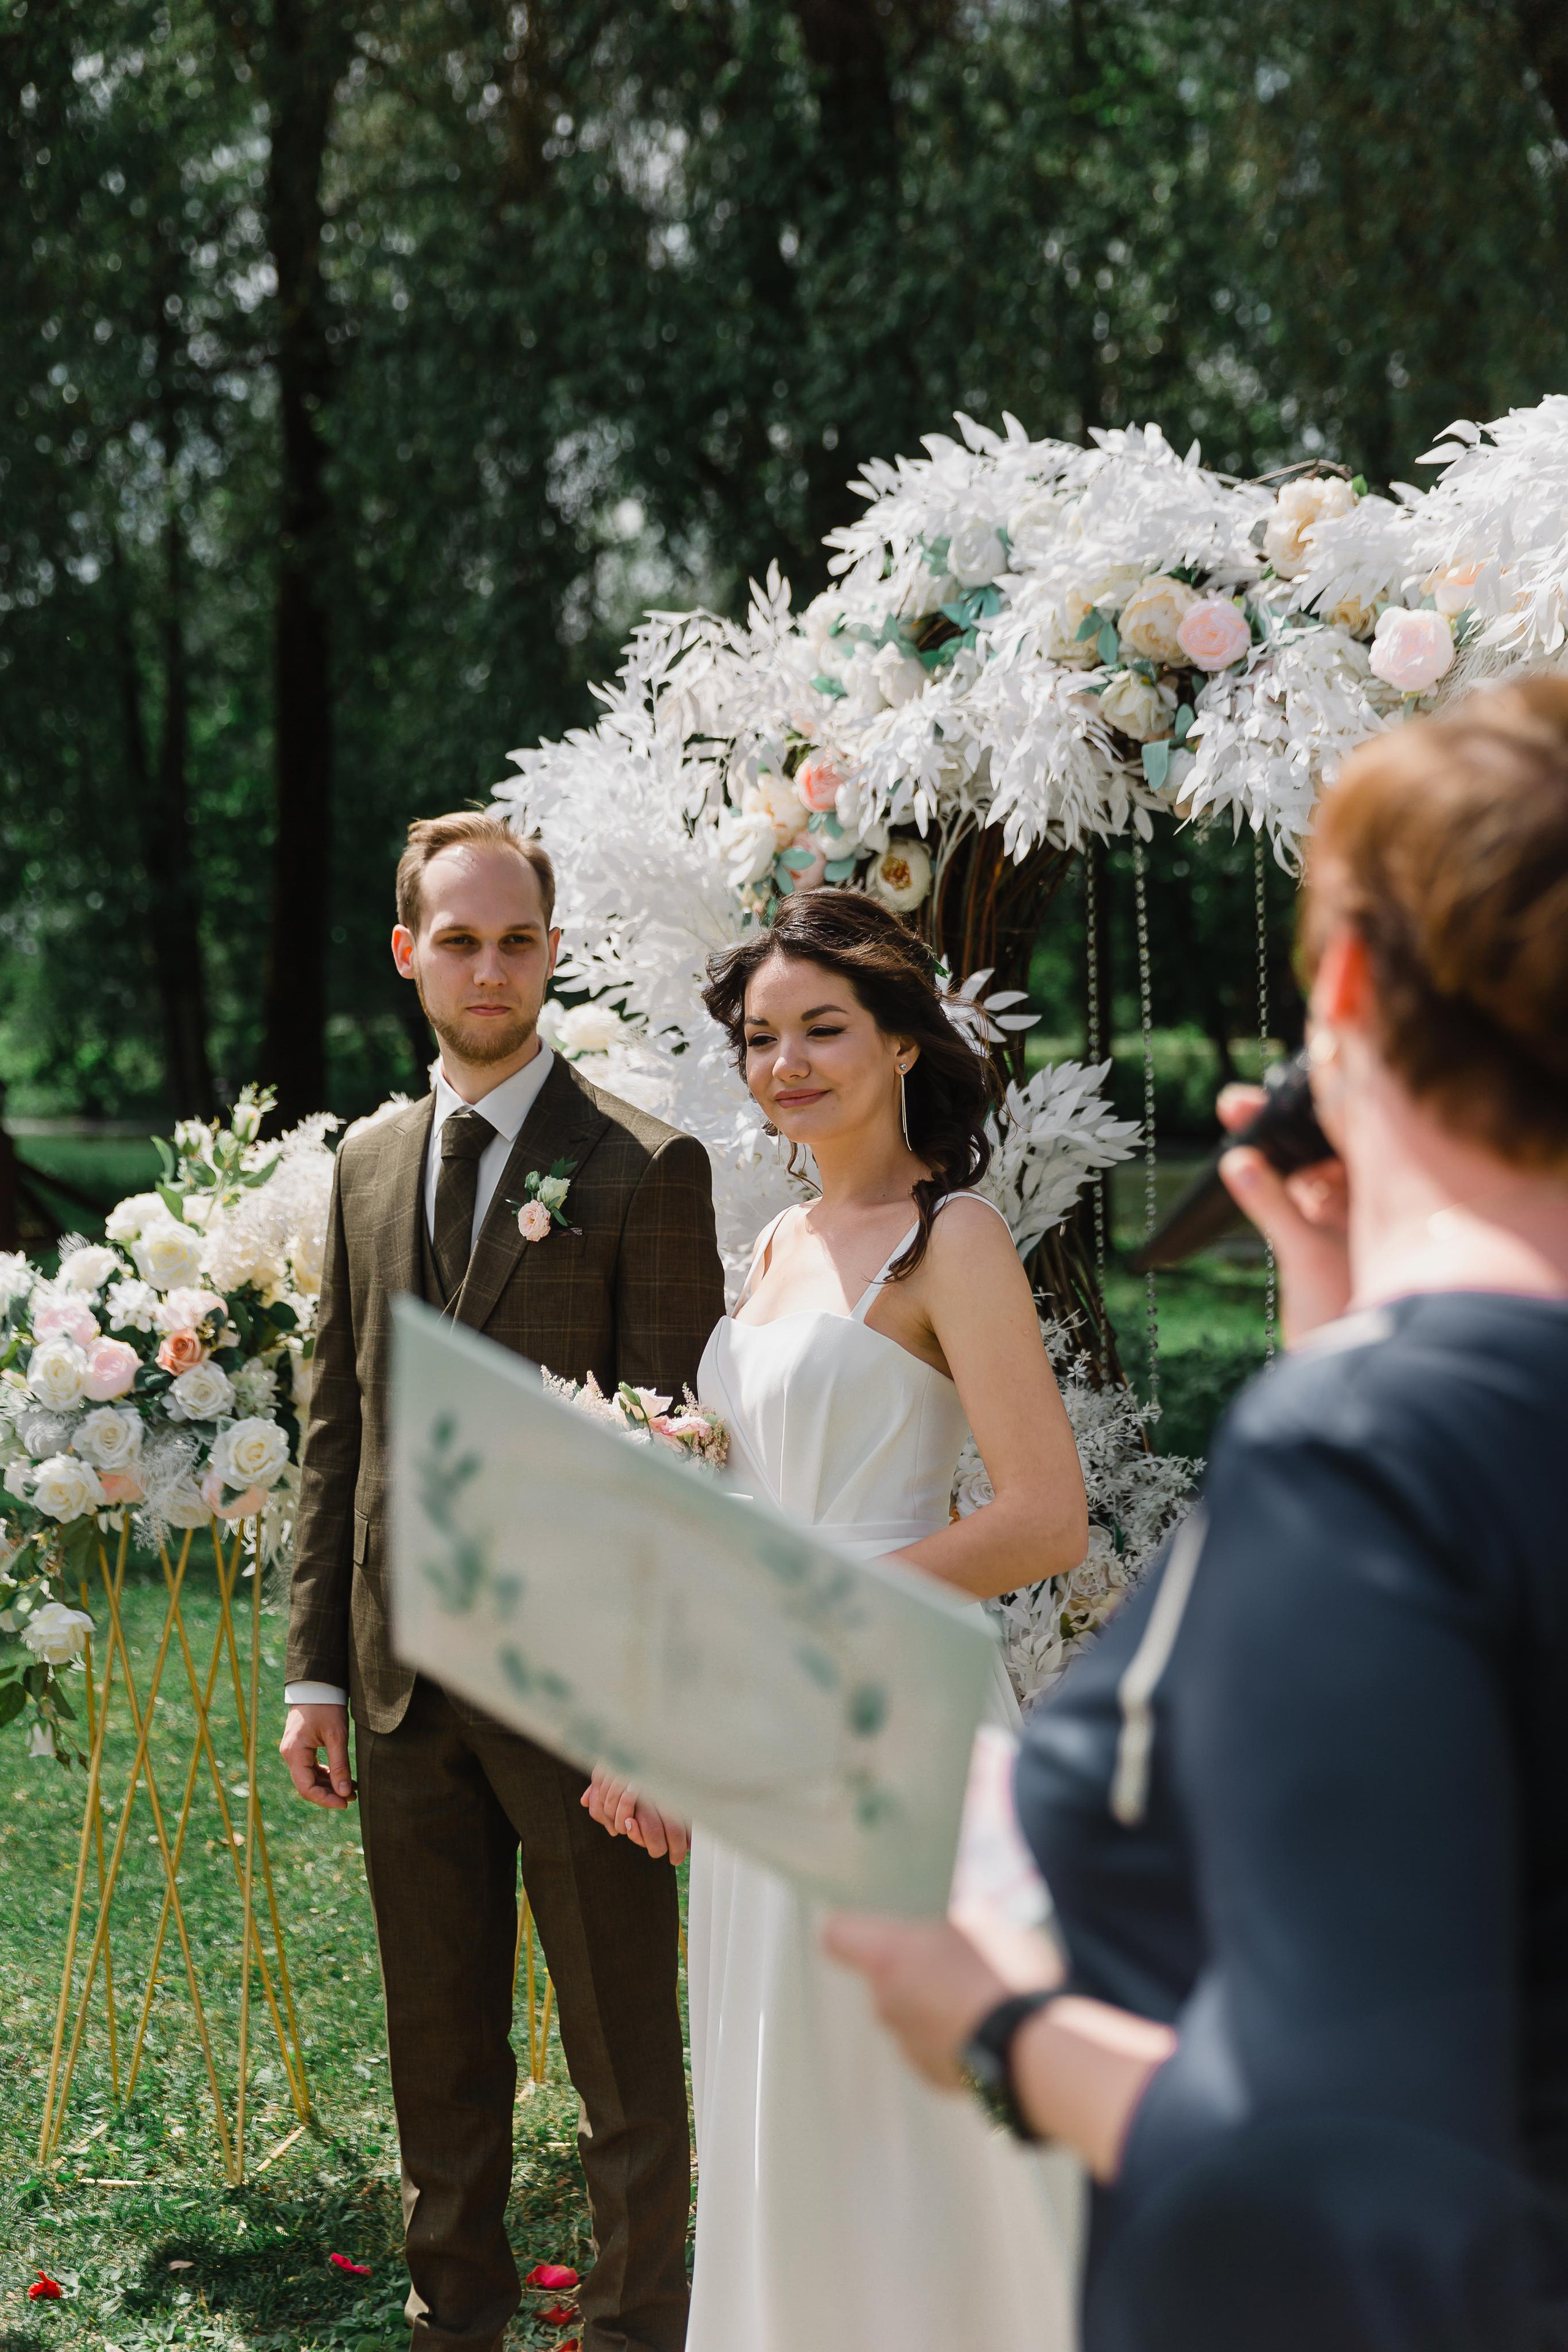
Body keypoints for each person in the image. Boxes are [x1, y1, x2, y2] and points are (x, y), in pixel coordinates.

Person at [825, 675, 1568, 2349]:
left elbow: (1353, 2190)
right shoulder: (1414, 1414)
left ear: (1356, 985)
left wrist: (1002, 2023)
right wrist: (1342, 1304)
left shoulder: (1374, 1454)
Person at [590, 889, 1090, 2351]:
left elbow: (1041, 1517)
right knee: (777, 2075)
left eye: (821, 1030)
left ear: (897, 1045)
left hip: (893, 1719)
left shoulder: (956, 1239)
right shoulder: (774, 1247)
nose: (784, 1063)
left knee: (898, 2095)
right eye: (759, 1039)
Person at [279, 812, 726, 2352]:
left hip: (579, 1696)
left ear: (552, 951)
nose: (489, 965)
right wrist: (315, 1668)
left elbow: (681, 1469)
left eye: (516, 939)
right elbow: (337, 1422)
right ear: (410, 956)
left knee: (621, 2064)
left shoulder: (642, 1167)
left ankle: (630, 2333)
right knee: (438, 2052)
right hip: (401, 1686)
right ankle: (450, 2320)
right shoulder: (365, 1163)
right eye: (457, 940)